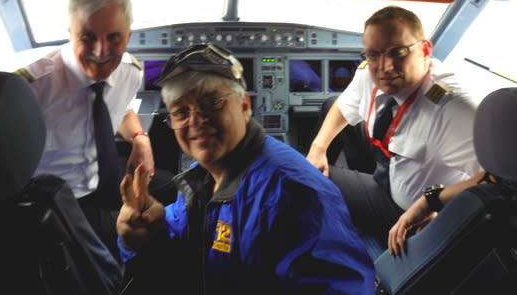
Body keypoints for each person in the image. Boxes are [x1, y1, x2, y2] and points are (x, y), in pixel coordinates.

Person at [116, 43, 375, 294]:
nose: (196, 121)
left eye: (212, 103)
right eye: (181, 111)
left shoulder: (293, 193)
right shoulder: (202, 174)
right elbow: (185, 233)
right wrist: (144, 234)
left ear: (244, 107)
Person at [15, 0, 175, 260]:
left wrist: (140, 138)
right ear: (69, 33)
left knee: (176, 187)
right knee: (142, 226)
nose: (101, 52)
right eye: (87, 37)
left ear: (128, 36)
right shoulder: (31, 87)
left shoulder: (129, 72)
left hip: (106, 177)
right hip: (56, 199)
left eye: (114, 37)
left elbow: (122, 109)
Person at [306, 5, 481, 249]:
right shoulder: (370, 73)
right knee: (330, 104)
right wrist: (317, 149)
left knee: (304, 180)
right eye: (374, 54)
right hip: (390, 164)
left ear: (425, 50)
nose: (385, 66)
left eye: (398, 52)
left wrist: (433, 203)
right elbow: (342, 107)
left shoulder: (453, 110)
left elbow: (496, 180)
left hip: (404, 208)